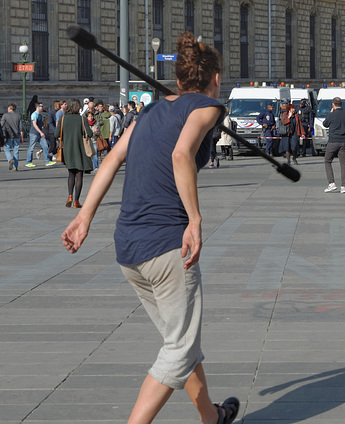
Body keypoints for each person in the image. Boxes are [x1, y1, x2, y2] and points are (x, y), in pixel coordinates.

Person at [60, 32, 239, 424]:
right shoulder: (209, 108)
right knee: (180, 346)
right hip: (166, 247)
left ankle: (212, 417)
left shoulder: (147, 113)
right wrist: (194, 219)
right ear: (216, 78)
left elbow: (109, 161)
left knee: (181, 343)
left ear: (177, 80)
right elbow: (180, 154)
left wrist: (84, 216)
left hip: (129, 249)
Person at [54, 99, 93, 208]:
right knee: (79, 175)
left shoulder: (63, 119)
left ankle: (70, 195)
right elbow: (89, 133)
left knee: (71, 173)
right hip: (80, 150)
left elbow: (56, 133)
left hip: (68, 150)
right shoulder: (81, 119)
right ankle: (76, 201)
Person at [322, 97, 345, 194]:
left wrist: (330, 113)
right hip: (343, 141)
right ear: (341, 104)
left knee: (327, 161)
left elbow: (325, 124)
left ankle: (332, 183)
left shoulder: (332, 115)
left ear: (333, 105)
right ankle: (343, 186)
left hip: (333, 141)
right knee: (343, 164)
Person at [26, 102, 55, 168]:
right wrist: (41, 132)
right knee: (31, 147)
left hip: (39, 133)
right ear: (37, 107)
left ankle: (47, 161)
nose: (42, 107)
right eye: (41, 106)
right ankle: (28, 162)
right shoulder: (34, 114)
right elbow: (34, 124)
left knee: (45, 146)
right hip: (34, 133)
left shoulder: (40, 115)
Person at [1, 103, 24, 171]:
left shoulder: (5, 115)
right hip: (16, 136)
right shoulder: (18, 116)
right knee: (16, 151)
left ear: (10, 108)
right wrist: (21, 137)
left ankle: (10, 159)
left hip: (8, 136)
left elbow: (1, 125)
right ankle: (15, 167)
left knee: (7, 149)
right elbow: (20, 128)